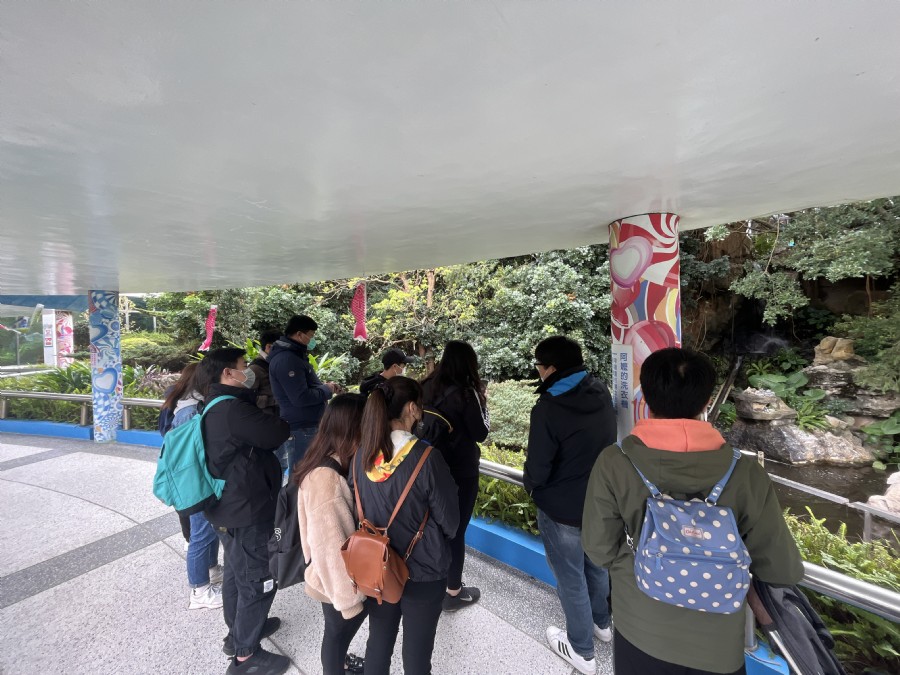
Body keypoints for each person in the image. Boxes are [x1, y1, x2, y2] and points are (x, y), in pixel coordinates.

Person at [582, 348, 804, 675]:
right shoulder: (745, 473)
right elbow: (781, 568)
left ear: (646, 399)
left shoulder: (615, 462)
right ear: (706, 402)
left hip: (640, 626)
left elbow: (598, 549)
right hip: (718, 646)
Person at [194, 347, 292, 675]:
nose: (247, 371)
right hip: (246, 509)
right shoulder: (232, 409)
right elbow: (277, 432)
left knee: (237, 573)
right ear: (227, 373)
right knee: (257, 578)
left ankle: (237, 635)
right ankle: (246, 657)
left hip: (227, 507)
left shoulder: (213, 404)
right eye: (242, 366)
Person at [353, 377, 460, 675]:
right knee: (417, 655)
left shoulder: (361, 454)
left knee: (378, 642)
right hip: (423, 570)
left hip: (377, 566)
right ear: (412, 408)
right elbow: (451, 523)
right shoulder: (427, 458)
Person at [524, 335, 616, 675]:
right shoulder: (600, 390)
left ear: (550, 368)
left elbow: (538, 468)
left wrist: (532, 487)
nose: (538, 372)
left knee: (570, 577)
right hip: (600, 503)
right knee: (597, 565)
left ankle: (582, 650)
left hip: (561, 510)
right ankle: (602, 624)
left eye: (538, 366)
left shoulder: (548, 408)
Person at [294, 394, 368, 675]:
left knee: (336, 636)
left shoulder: (332, 459)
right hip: (338, 582)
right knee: (337, 635)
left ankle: (341, 663)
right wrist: (349, 601)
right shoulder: (326, 479)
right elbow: (329, 547)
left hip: (336, 577)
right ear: (354, 427)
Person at [420, 340, 490, 611]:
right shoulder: (466, 393)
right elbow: (481, 434)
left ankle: (429, 581)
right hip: (460, 470)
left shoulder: (425, 385)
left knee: (431, 524)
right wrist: (484, 402)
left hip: (426, 466)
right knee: (456, 530)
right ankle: (453, 592)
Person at [160, 362, 224, 611]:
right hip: (195, 481)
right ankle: (199, 591)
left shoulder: (192, 402)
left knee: (208, 530)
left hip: (198, 478)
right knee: (200, 534)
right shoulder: (189, 412)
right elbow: (191, 453)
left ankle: (211, 569)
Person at [268, 315, 340, 471]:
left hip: (307, 426)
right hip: (302, 428)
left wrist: (324, 387)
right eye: (311, 335)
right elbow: (300, 397)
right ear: (299, 334)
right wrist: (326, 389)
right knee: (302, 473)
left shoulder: (295, 356)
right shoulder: (287, 360)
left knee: (308, 471)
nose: (312, 340)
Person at [248, 329, 281, 417]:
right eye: (281, 348)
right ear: (269, 347)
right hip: (267, 418)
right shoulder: (254, 369)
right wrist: (272, 400)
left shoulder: (274, 363)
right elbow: (246, 397)